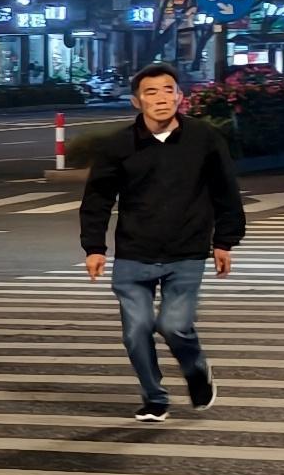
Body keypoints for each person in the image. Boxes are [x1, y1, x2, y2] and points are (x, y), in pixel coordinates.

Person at [79, 63, 241, 423]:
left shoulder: (204, 139)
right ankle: (154, 397)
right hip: (134, 254)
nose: (161, 98)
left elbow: (226, 191)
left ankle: (196, 370)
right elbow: (97, 199)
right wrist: (94, 248)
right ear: (137, 101)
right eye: (151, 92)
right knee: (135, 332)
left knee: (173, 325)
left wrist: (225, 241)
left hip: (187, 251)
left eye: (168, 90)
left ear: (180, 97)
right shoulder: (118, 146)